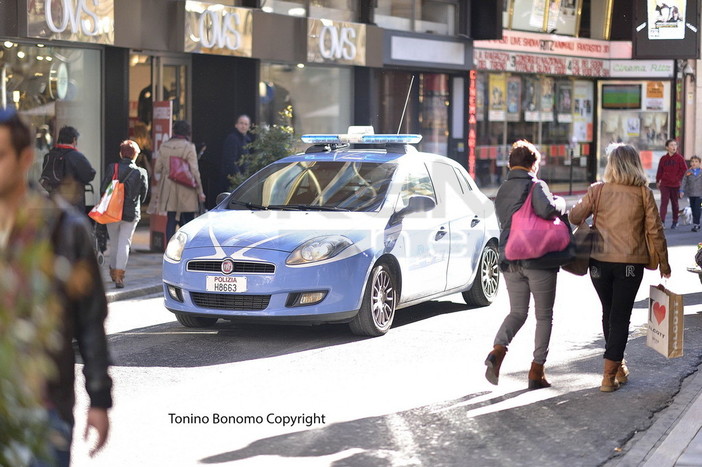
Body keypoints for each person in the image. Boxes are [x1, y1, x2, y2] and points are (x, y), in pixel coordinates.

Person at [0, 108, 111, 465]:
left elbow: (90, 322)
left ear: (25, 158)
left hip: (45, 408)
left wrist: (99, 398)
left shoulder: (64, 229)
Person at [570, 144, 670, 392]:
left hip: (599, 264)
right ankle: (608, 374)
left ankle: (618, 366)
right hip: (630, 264)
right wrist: (664, 263)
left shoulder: (598, 191)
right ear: (635, 164)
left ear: (611, 165)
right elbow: (655, 231)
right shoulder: (643, 193)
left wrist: (588, 214)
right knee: (620, 315)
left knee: (609, 311)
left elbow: (574, 217)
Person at [484, 140, 567, 390]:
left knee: (517, 312)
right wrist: (560, 202)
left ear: (511, 164)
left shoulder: (502, 189)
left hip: (510, 258)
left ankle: (498, 351)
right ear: (533, 164)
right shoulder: (536, 185)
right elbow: (547, 210)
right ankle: (536, 371)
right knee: (544, 316)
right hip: (537, 258)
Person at [99, 140, 149, 288]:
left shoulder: (112, 167)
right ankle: (120, 276)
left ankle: (113, 272)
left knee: (114, 243)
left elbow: (103, 188)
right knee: (124, 243)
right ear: (136, 155)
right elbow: (144, 195)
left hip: (112, 211)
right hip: (131, 213)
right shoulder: (141, 172)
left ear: (121, 154)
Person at [154, 120, 206, 242]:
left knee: (171, 219)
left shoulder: (164, 146)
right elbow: (194, 171)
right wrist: (200, 191)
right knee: (187, 221)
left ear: (174, 130)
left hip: (168, 187)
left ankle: (169, 249)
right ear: (188, 132)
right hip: (186, 187)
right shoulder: (189, 147)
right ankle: (184, 249)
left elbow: (157, 168)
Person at [39, 125, 96, 213]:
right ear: (74, 140)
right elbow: (89, 174)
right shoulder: (76, 156)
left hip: (54, 201)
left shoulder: (50, 155)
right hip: (73, 202)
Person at [656, 139, 687, 229]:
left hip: (675, 185)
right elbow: (660, 170)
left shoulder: (679, 158)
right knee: (664, 203)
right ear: (667, 147)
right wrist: (658, 180)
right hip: (665, 184)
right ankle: (662, 221)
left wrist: (677, 178)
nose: (674, 147)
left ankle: (675, 221)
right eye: (671, 145)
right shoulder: (663, 159)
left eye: (675, 145)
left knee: (675, 203)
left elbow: (684, 170)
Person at [220, 114, 252, 193]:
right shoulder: (232, 139)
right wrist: (239, 179)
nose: (243, 126)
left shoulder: (247, 140)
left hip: (243, 180)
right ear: (236, 125)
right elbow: (230, 161)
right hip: (233, 181)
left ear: (249, 126)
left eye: (246, 124)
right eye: (241, 123)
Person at [680, 155, 702, 232]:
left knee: (697, 209)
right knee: (693, 208)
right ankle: (696, 223)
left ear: (700, 163)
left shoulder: (701, 172)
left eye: (696, 161)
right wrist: (681, 191)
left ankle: (696, 224)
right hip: (691, 194)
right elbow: (684, 181)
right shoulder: (688, 172)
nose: (694, 163)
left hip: (700, 194)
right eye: (692, 161)